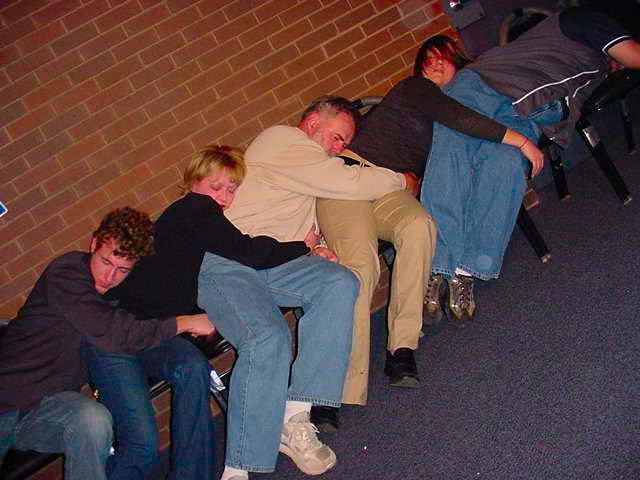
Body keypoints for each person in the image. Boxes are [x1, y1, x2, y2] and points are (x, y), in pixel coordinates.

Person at [314, 46, 543, 415]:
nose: (434, 63)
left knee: (420, 226)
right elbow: (461, 119)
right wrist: (522, 141)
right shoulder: (416, 89)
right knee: (361, 268)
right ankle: (335, 389)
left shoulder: (462, 100)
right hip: (351, 178)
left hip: (390, 190)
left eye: (443, 56)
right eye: (427, 58)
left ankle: (402, 349)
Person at [104, 145, 350, 480]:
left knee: (338, 281)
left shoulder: (194, 219)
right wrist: (303, 246)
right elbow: (248, 251)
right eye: (215, 186)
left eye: (231, 189)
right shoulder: (194, 207)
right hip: (138, 327)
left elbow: (241, 253)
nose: (223, 196)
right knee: (267, 335)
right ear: (193, 183)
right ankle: (238, 468)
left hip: (164, 315)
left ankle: (296, 413)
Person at [419, 6, 640, 323]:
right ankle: (438, 264)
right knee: (451, 153)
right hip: (485, 86)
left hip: (528, 111)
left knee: (506, 164)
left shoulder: (595, 60)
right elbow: (634, 55)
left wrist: (607, 66)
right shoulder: (584, 17)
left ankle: (465, 270)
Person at [0, 207, 213, 480]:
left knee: (93, 418)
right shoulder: (67, 273)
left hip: (46, 409)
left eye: (122, 270)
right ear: (93, 245)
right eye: (105, 262)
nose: (109, 277)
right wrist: (185, 322)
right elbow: (115, 333)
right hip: (6, 400)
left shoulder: (110, 294)